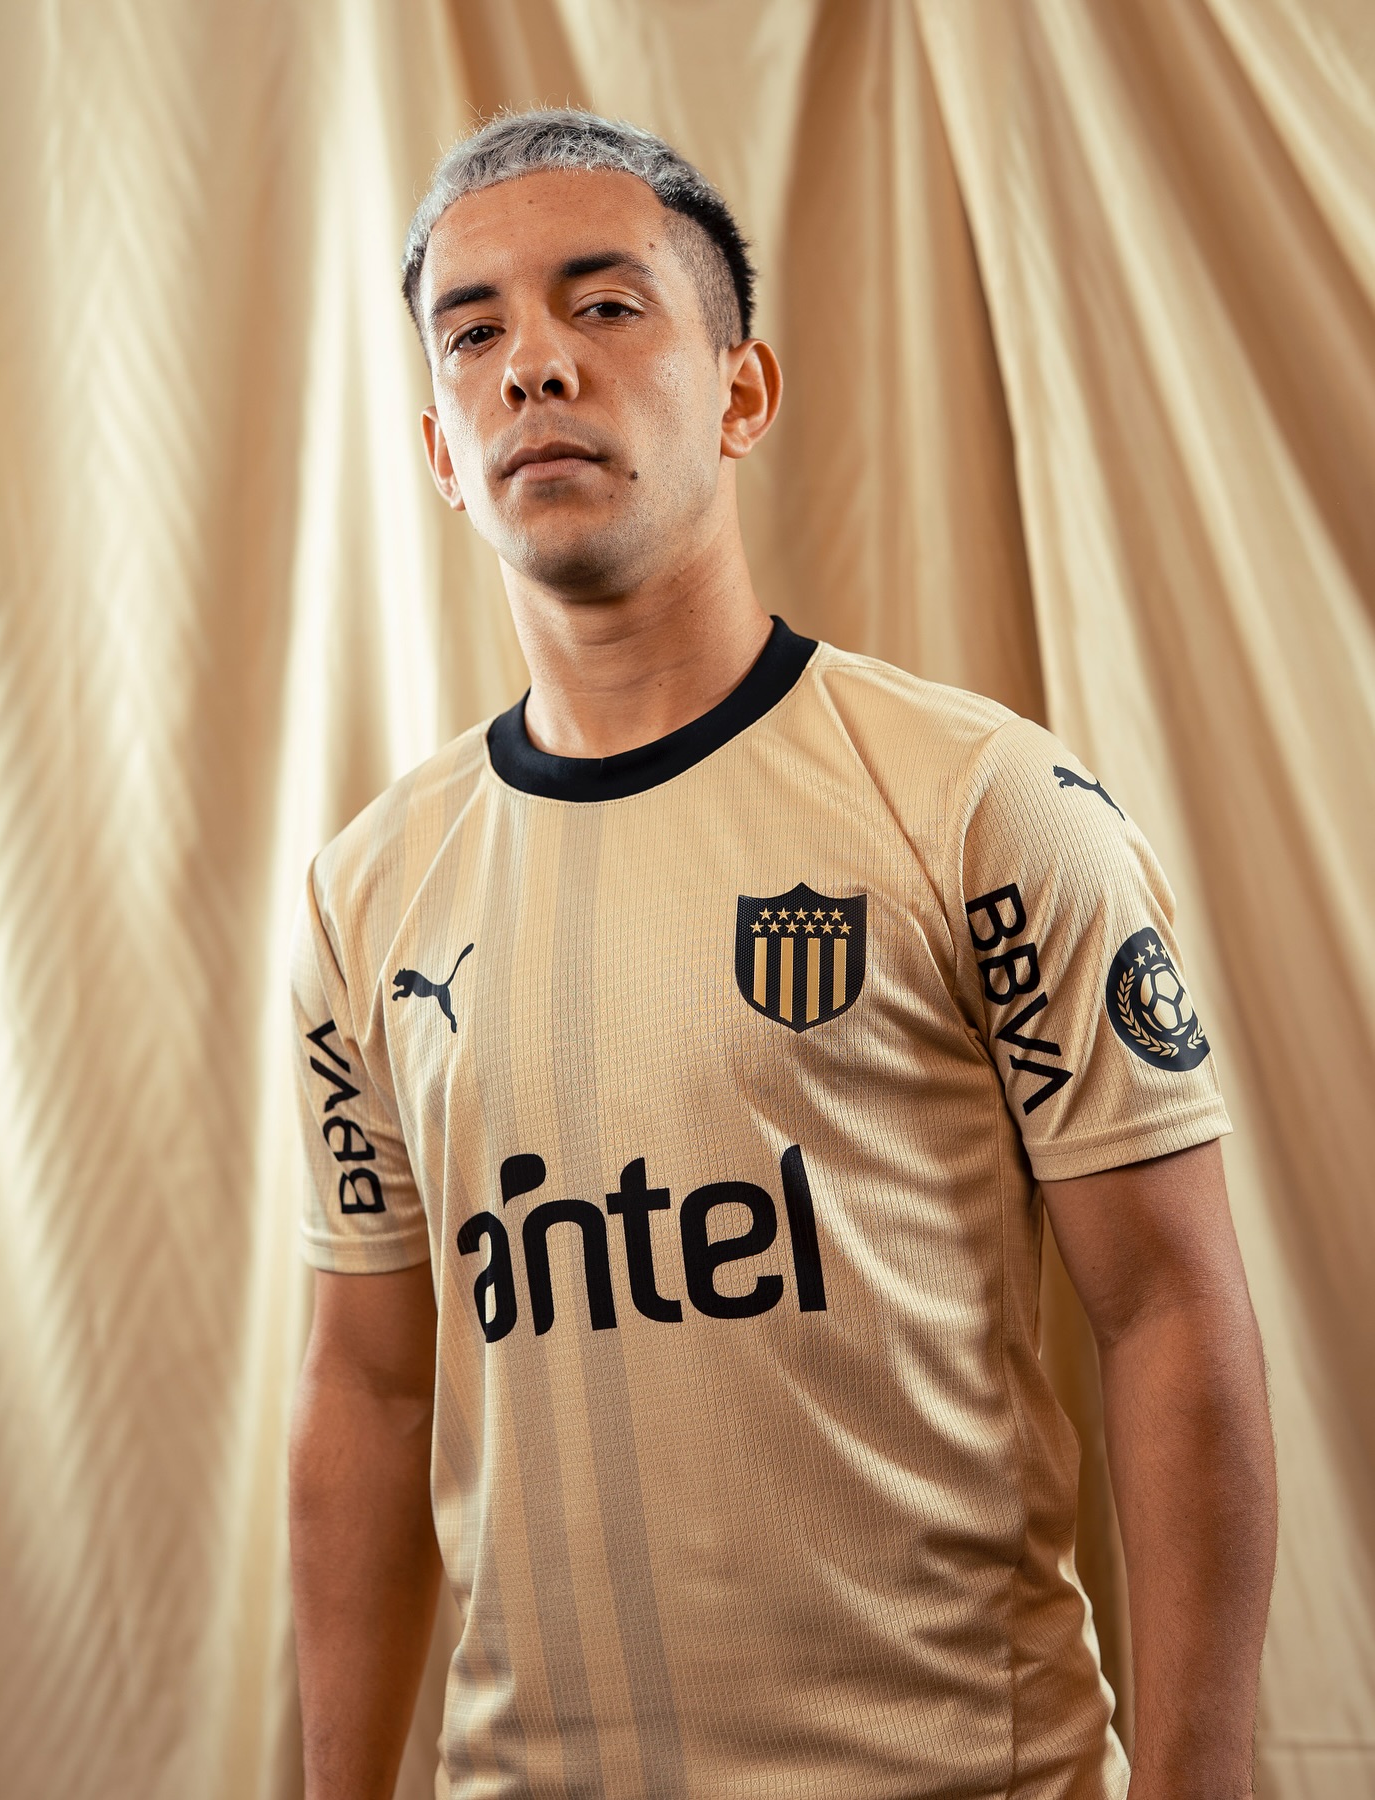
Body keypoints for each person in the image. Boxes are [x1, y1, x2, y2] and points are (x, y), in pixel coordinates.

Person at [288, 109, 1276, 1800]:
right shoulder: (363, 896)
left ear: (742, 393)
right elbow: (372, 1395)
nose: (535, 365)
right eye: (474, 331)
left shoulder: (985, 805)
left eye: (606, 306)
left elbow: (1169, 1308)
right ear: (443, 451)